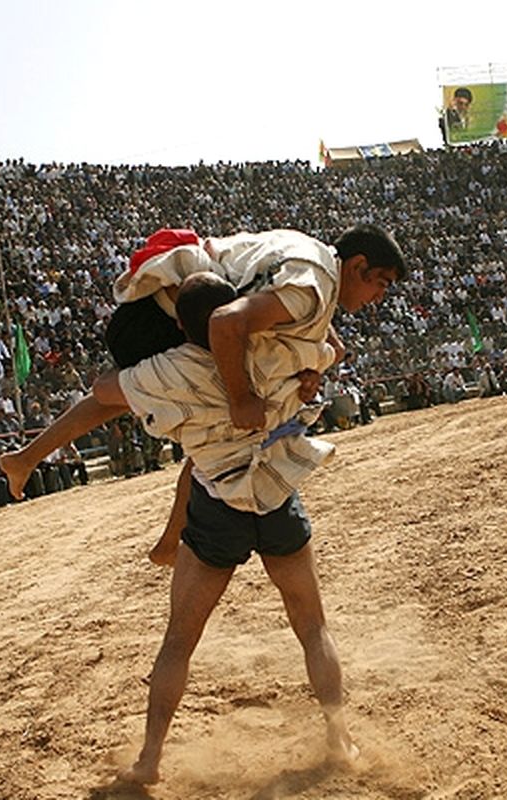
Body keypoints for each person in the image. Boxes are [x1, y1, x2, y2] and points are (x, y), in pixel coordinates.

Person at [116, 270, 393, 785]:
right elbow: (330, 343)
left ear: (181, 326)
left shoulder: (171, 370)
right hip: (274, 495)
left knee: (179, 639)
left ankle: (151, 757)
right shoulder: (276, 354)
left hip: (218, 503)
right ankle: (339, 737)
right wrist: (308, 364)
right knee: (313, 627)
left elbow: (103, 390)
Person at [0, 224, 405, 501]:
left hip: (162, 310)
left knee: (170, 411)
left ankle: (26, 458)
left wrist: (320, 356)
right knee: (208, 415)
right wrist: (242, 398)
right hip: (167, 321)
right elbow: (229, 322)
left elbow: (305, 316)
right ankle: (66, 431)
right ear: (357, 267)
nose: (379, 298)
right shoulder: (312, 287)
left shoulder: (307, 250)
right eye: (380, 284)